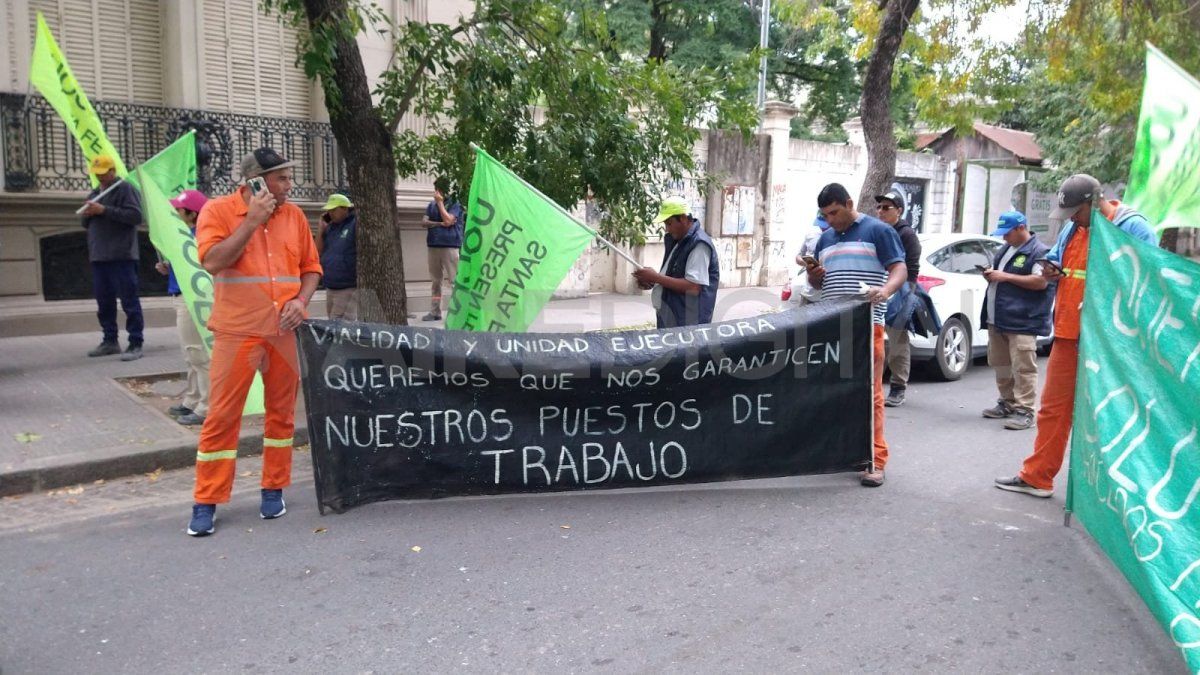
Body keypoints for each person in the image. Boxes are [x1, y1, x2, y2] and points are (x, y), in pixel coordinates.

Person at [187, 148, 322, 536]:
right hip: (237, 330)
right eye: (282, 178)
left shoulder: (294, 216)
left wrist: (301, 300)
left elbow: (311, 269)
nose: (289, 185)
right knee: (222, 417)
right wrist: (251, 222)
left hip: (284, 333)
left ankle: (273, 488)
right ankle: (206, 500)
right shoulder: (217, 211)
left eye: (288, 177)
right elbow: (212, 262)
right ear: (256, 182)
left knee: (281, 414)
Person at [995, 174, 1156, 498]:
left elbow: (1147, 283)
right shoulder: (1073, 228)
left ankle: (1115, 495)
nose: (1071, 220)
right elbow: (1054, 261)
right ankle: (1037, 477)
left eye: (1076, 213)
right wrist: (1048, 269)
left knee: (1110, 415)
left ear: (1095, 203)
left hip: (1110, 341)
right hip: (1069, 333)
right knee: (1053, 410)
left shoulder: (1133, 228)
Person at [806, 183, 907, 487]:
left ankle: (876, 459)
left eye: (835, 212)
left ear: (849, 203)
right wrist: (814, 274)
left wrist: (885, 291)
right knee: (835, 392)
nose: (831, 220)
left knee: (870, 394)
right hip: (832, 326)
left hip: (866, 326)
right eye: (825, 215)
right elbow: (818, 285)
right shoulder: (824, 239)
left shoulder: (878, 231)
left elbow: (899, 268)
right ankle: (845, 452)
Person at [980, 210, 1053, 431]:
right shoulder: (1006, 249)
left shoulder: (1039, 251)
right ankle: (1007, 402)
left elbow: (1041, 282)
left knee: (1023, 367)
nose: (1004, 237)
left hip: (1022, 320)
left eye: (1007, 233)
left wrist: (1003, 276)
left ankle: (1025, 410)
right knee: (1000, 364)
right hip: (998, 318)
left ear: (1021, 228)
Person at [80, 155, 145, 361]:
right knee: (104, 301)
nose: (99, 177)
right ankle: (110, 340)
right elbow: (85, 223)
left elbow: (135, 216)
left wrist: (104, 210)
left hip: (122, 255)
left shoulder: (124, 189)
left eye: (103, 172)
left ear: (112, 171)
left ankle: (135, 342)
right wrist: (88, 214)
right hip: (99, 255)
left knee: (129, 300)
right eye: (96, 173)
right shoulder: (94, 192)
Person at [154, 189, 211, 426]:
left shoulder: (200, 235)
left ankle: (206, 406)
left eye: (178, 209)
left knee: (198, 353)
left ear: (192, 213)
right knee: (191, 354)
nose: (175, 212)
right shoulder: (187, 233)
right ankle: (192, 399)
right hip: (181, 295)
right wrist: (169, 266)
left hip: (192, 299)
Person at [633, 196, 720, 328]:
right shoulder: (678, 241)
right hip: (671, 317)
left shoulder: (699, 244)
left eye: (669, 223)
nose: (667, 229)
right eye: (665, 224)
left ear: (684, 218)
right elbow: (673, 276)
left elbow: (693, 287)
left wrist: (656, 277)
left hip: (687, 323)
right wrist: (653, 281)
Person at [875, 190, 921, 407]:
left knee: (897, 341)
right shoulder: (878, 232)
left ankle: (898, 386)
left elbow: (909, 268)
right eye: (879, 207)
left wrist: (900, 291)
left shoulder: (906, 234)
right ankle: (875, 384)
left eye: (886, 208)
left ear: (899, 211)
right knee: (877, 341)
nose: (881, 212)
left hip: (901, 291)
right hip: (878, 290)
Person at [421, 178, 465, 322]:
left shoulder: (455, 204)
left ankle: (459, 312)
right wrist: (439, 223)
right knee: (435, 282)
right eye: (435, 189)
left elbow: (449, 220)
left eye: (439, 189)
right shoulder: (430, 205)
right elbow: (424, 222)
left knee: (454, 281)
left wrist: (440, 203)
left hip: (450, 246)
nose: (436, 192)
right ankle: (435, 311)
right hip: (433, 246)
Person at [317, 193, 358, 321]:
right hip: (330, 285)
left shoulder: (354, 224)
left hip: (347, 286)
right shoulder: (330, 228)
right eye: (329, 210)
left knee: (340, 324)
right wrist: (320, 230)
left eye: (334, 210)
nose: (330, 213)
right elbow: (317, 252)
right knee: (332, 324)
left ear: (345, 208)